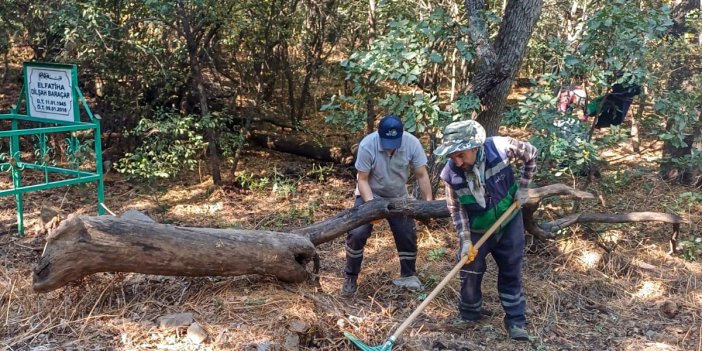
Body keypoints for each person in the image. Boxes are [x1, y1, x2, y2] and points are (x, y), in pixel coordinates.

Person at [434, 120, 537, 341]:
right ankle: (470, 314)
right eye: (452, 156)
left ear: (475, 147)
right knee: (470, 270)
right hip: (478, 228)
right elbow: (456, 208)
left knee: (511, 271)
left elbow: (531, 154)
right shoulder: (450, 174)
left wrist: (524, 188)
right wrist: (465, 240)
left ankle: (516, 322)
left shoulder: (500, 147)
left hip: (509, 222)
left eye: (461, 154)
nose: (457, 161)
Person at [342, 114, 433, 295]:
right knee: (357, 233)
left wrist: (429, 204)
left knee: (406, 232)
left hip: (398, 196)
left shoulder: (412, 144)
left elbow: (422, 175)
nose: (390, 147)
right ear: (379, 134)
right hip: (370, 193)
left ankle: (408, 275)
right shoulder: (368, 145)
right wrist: (372, 207)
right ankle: (350, 276)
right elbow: (363, 179)